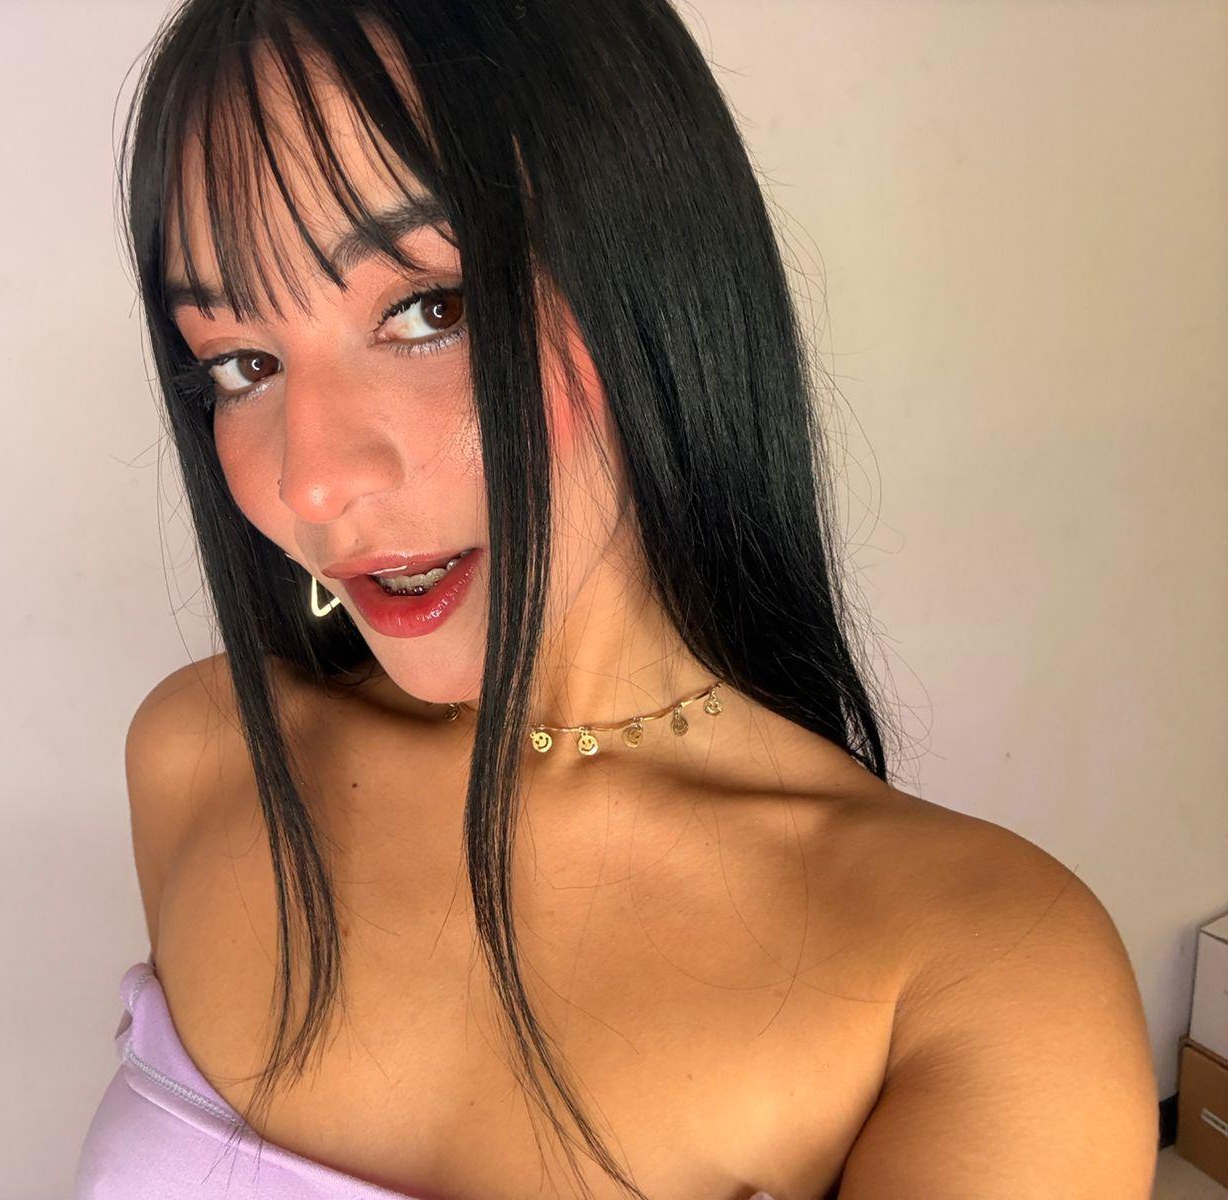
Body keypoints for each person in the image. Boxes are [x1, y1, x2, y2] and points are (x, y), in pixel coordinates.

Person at [75, 1, 1157, 1197]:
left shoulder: (974, 975)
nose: (313, 481)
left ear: (655, 280)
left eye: (431, 309)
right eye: (240, 364)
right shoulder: (206, 756)